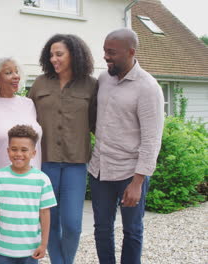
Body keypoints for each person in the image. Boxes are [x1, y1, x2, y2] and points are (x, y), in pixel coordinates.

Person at [88, 28, 164, 264]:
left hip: (130, 173)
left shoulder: (148, 88)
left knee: (131, 230)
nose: (105, 57)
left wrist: (138, 182)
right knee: (101, 228)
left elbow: (152, 140)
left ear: (131, 52)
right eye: (104, 51)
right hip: (100, 170)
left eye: (111, 52)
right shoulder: (103, 79)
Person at [28, 34, 98, 264]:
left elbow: (98, 122)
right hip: (45, 162)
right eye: (51, 55)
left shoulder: (91, 84)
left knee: (72, 224)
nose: (54, 59)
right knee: (51, 221)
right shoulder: (40, 83)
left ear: (74, 55)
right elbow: (24, 115)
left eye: (59, 54)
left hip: (75, 164)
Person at [0, 125, 57, 264]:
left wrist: (44, 244)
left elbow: (45, 214)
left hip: (30, 250)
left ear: (33, 153)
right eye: (14, 149)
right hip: (3, 248)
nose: (18, 154)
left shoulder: (42, 180)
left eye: (24, 150)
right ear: (8, 150)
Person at [0, 57, 43, 174]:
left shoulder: (28, 104)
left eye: (17, 71)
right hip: (0, 182)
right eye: (8, 73)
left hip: (32, 182)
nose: (16, 76)